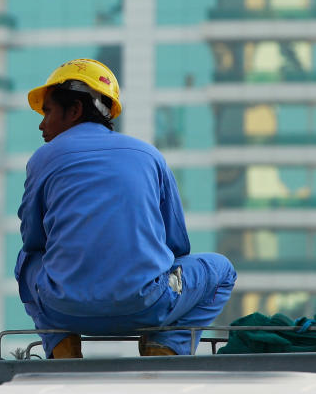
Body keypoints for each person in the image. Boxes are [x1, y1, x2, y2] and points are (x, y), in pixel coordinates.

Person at [15, 58, 237, 358]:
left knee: (26, 260)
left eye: (48, 112)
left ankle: (60, 345)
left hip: (65, 309)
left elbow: (32, 240)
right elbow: (177, 245)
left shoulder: (44, 158)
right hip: (148, 306)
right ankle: (167, 345)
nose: (42, 124)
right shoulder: (149, 156)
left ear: (75, 110)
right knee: (222, 270)